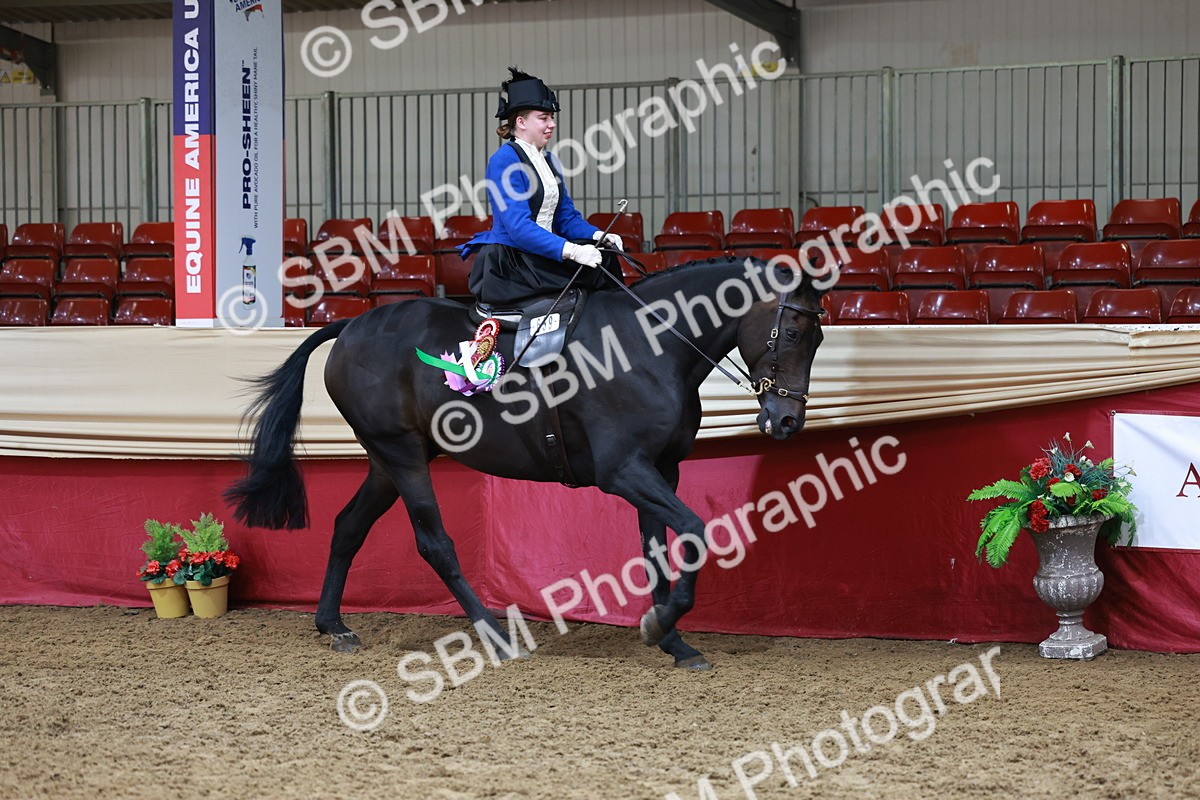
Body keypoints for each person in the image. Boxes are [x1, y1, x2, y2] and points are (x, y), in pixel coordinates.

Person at [461, 67, 624, 307]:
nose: (552, 124)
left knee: (605, 258)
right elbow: (519, 228)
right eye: (544, 118)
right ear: (521, 122)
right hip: (514, 263)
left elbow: (566, 218)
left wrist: (598, 235)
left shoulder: (549, 161)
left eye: (552, 118)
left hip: (542, 254)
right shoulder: (504, 160)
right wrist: (572, 250)